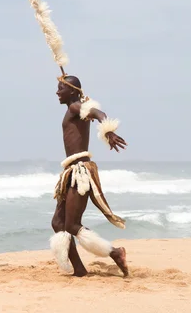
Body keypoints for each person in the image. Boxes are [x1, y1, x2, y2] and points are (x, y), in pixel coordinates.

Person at [50, 74, 129, 277]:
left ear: (73, 91)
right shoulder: (73, 109)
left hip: (80, 174)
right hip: (70, 172)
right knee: (58, 223)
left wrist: (108, 131)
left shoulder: (75, 107)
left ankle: (115, 252)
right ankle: (79, 269)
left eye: (61, 88)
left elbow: (97, 112)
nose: (57, 92)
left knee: (72, 224)